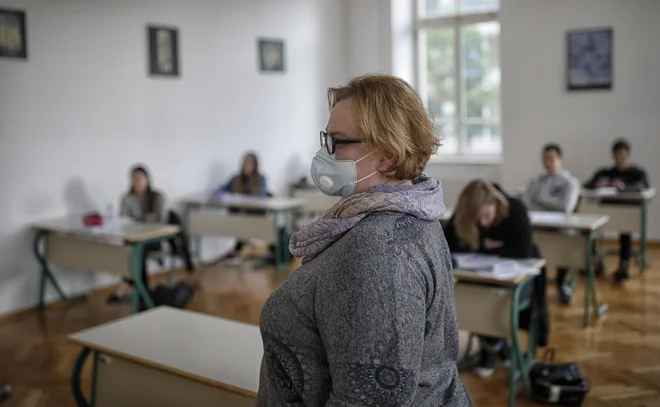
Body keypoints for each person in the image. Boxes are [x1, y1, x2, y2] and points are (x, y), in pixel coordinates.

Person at [257, 75, 471, 406]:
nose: (326, 153)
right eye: (327, 139)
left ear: (386, 156)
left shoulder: (376, 249)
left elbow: (370, 399)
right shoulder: (417, 207)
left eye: (338, 142)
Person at [443, 180, 549, 378]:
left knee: (493, 298)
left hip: (518, 279)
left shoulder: (515, 209)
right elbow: (445, 245)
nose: (483, 223)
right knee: (473, 294)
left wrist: (482, 248)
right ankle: (493, 347)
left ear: (496, 204)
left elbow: (522, 249)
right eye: (477, 219)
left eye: (487, 216)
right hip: (482, 277)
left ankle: (492, 348)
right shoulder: (466, 213)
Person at [107, 165, 194, 304]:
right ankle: (139, 288)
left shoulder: (157, 197)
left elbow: (160, 221)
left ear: (147, 180)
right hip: (134, 238)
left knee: (137, 252)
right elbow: (123, 220)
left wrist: (139, 222)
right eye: (134, 179)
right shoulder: (127, 198)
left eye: (140, 179)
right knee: (128, 251)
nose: (137, 182)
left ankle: (136, 288)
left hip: (155, 239)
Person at [584, 138, 650, 283]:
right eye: (617, 154)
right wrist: (597, 184)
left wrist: (622, 187)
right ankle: (594, 261)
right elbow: (587, 184)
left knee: (625, 230)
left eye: (623, 154)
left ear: (628, 155)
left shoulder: (636, 173)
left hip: (626, 212)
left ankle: (623, 265)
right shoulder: (605, 172)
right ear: (613, 155)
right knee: (588, 226)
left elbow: (643, 187)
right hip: (605, 212)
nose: (620, 157)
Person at [523, 143, 580, 304]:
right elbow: (527, 203)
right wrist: (548, 203)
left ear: (560, 159)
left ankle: (561, 283)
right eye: (544, 159)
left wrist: (540, 200)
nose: (547, 162)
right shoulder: (537, 181)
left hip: (560, 228)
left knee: (565, 244)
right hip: (537, 227)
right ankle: (534, 285)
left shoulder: (570, 182)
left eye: (551, 158)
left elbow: (565, 207)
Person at [214, 153, 269, 262]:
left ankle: (239, 248)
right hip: (238, 213)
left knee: (243, 218)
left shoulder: (260, 179)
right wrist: (220, 194)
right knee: (234, 214)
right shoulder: (235, 178)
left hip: (254, 214)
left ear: (255, 165)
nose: (248, 166)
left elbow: (261, 198)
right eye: (246, 163)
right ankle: (239, 248)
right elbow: (221, 190)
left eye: (251, 163)